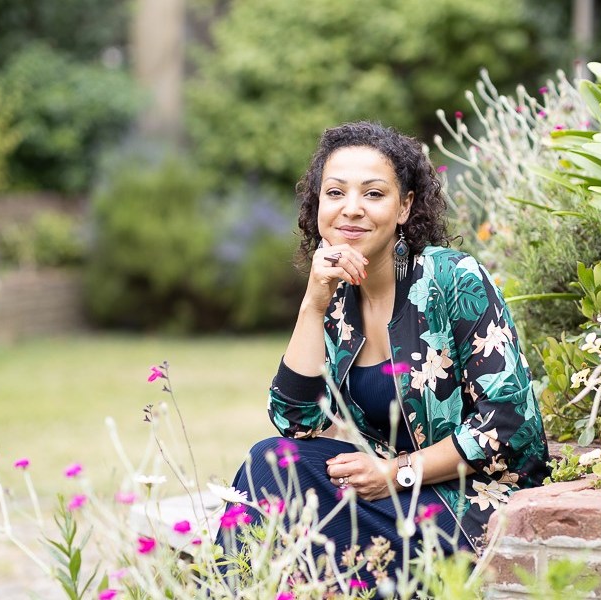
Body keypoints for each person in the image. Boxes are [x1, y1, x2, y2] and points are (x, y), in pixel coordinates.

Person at [221, 121, 549, 584]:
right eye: (334, 193)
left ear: (404, 207)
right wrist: (313, 304)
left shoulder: (452, 279)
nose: (351, 209)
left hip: (472, 506)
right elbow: (296, 422)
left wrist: (397, 473)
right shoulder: (334, 297)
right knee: (270, 463)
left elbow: (508, 424)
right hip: (393, 497)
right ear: (318, 205)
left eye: (373, 194)